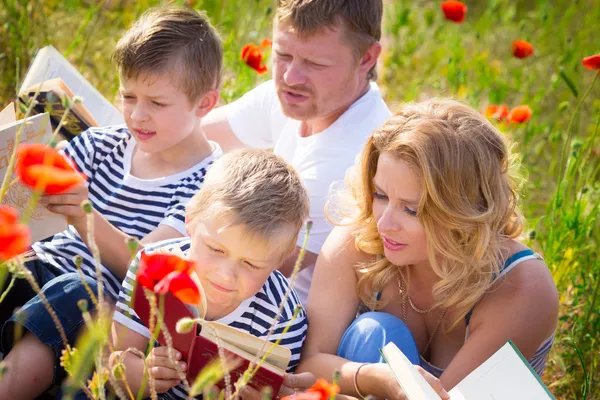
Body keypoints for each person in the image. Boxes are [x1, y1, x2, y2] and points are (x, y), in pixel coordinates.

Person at [0, 6, 223, 398]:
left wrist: (85, 217)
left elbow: (148, 266)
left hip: (102, 307)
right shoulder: (103, 144)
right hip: (36, 269)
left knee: (77, 292)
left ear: (204, 104)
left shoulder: (209, 183)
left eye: (157, 103)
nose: (138, 114)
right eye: (128, 96)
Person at [296, 99, 559, 399]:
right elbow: (309, 364)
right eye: (380, 195)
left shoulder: (520, 286)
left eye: (412, 210)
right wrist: (371, 377)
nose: (385, 223)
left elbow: (442, 398)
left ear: (466, 211)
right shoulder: (359, 241)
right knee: (375, 331)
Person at [202, 0, 391, 305]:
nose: (291, 77)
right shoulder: (306, 98)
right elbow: (188, 135)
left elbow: (240, 265)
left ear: (366, 58)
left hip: (268, 324)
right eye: (282, 55)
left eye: (315, 64)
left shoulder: (349, 163)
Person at [110, 149, 310, 399]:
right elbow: (116, 360)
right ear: (190, 221)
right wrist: (142, 374)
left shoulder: (282, 320)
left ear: (279, 261)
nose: (226, 275)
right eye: (216, 249)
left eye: (251, 264)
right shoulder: (154, 267)